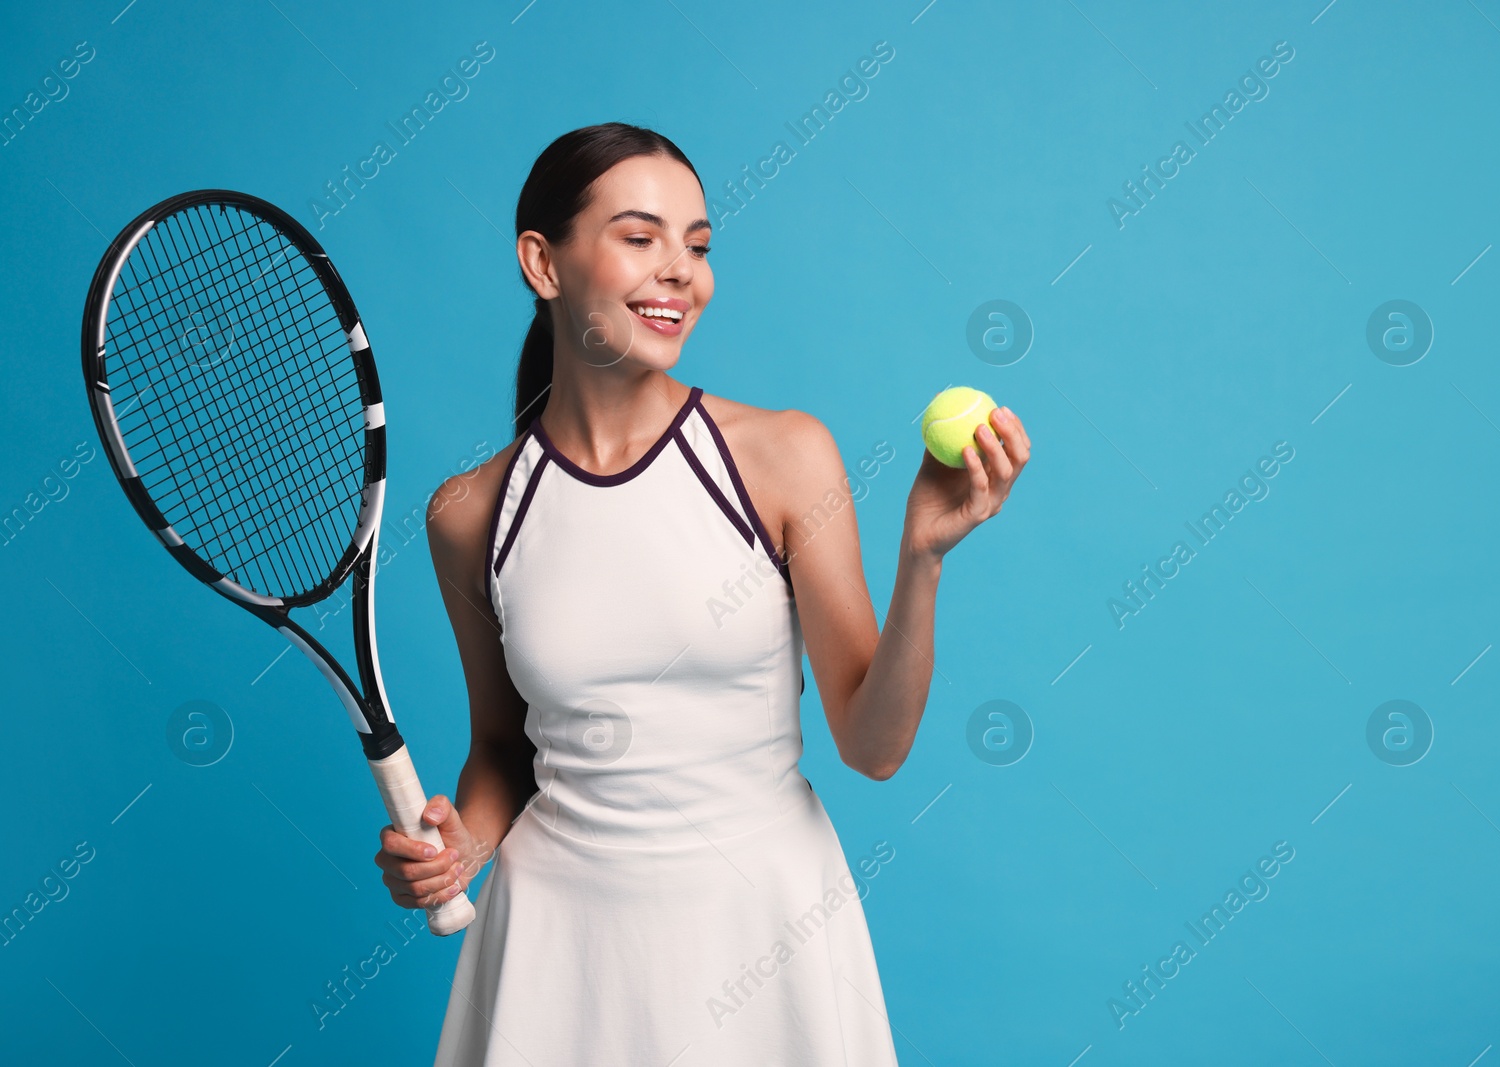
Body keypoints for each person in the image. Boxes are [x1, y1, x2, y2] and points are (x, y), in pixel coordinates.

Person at [373, 122, 1030, 1066]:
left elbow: (874, 747)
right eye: (641, 238)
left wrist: (922, 556)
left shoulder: (784, 456)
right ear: (543, 263)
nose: (681, 270)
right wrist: (455, 847)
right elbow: (502, 750)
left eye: (699, 244)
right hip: (557, 949)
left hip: (766, 927)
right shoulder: (469, 514)